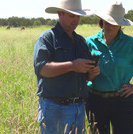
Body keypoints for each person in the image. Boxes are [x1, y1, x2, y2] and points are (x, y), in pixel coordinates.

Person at [85, 2, 133, 134]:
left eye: (114, 22)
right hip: (95, 100)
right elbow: (79, 70)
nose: (110, 24)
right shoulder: (89, 42)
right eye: (107, 20)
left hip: (122, 101)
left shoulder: (131, 44)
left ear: (121, 24)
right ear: (102, 20)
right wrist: (90, 75)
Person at [33, 0, 100, 133]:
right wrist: (72, 66)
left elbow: (87, 77)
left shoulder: (81, 41)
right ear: (60, 14)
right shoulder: (47, 38)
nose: (75, 20)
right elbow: (41, 69)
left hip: (79, 107)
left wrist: (93, 72)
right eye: (71, 16)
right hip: (54, 107)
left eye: (78, 16)